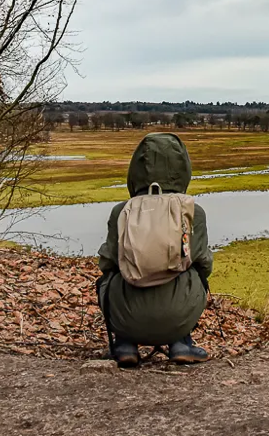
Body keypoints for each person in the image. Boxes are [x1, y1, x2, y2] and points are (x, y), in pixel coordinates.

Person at [96, 132, 213, 366]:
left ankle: (125, 345)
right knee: (196, 272)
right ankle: (181, 342)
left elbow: (108, 263)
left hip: (126, 313)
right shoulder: (194, 212)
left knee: (108, 278)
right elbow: (204, 263)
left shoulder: (122, 211)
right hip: (178, 312)